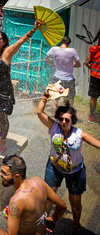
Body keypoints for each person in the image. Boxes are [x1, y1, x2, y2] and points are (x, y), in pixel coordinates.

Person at [37, 85, 100, 234]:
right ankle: (43, 222)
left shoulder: (79, 134)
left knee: (75, 202)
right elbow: (39, 112)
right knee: (49, 197)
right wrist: (45, 96)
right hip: (54, 167)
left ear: (72, 120)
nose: (63, 122)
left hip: (76, 172)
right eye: (61, 119)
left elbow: (98, 143)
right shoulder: (54, 127)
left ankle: (76, 226)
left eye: (67, 120)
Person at [0, 20, 41, 153]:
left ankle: (3, 140)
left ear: (4, 42)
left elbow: (20, 42)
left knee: (2, 116)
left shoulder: (7, 53)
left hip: (3, 91)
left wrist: (33, 29)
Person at [0, 154, 67, 235]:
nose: (0, 174)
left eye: (4, 173)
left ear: (17, 176)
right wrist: (53, 219)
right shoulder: (38, 182)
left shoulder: (16, 201)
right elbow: (63, 206)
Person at [45, 36, 81, 114]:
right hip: (69, 79)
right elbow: (79, 64)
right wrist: (72, 65)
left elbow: (46, 59)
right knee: (70, 99)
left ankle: (55, 119)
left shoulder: (54, 49)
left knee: (55, 99)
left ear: (61, 42)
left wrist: (53, 64)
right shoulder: (72, 51)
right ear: (69, 43)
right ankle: (68, 117)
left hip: (57, 78)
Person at [85, 38, 100, 123]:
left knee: (93, 98)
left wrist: (94, 68)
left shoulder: (94, 50)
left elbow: (87, 62)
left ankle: (91, 117)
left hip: (95, 77)